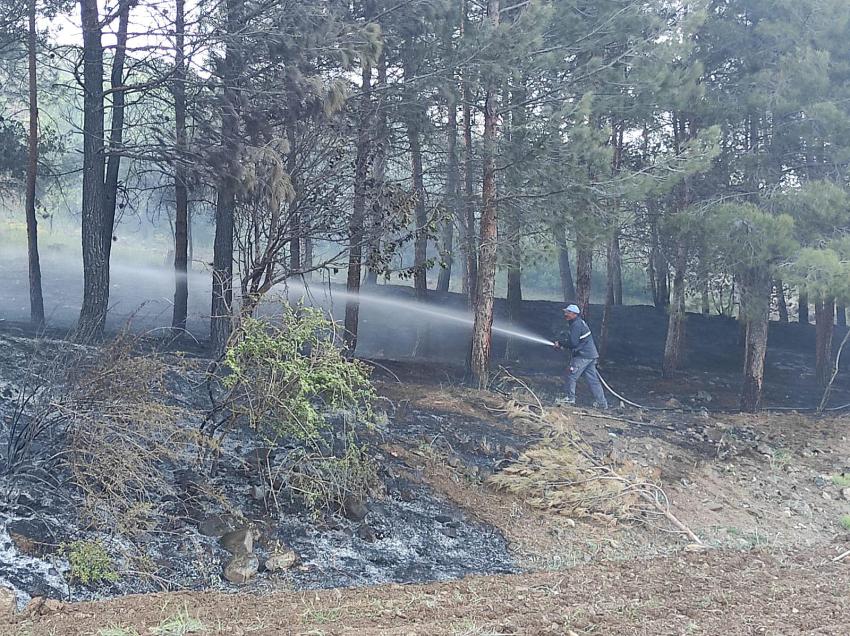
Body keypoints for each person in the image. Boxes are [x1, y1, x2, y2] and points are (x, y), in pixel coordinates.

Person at [553, 304, 608, 409]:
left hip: (583, 356)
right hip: (591, 355)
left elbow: (574, 343)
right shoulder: (578, 323)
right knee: (593, 380)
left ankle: (570, 399)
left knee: (570, 375)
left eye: (568, 312)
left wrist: (560, 343)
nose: (565, 314)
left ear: (574, 314)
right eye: (566, 312)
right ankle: (602, 403)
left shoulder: (576, 325)